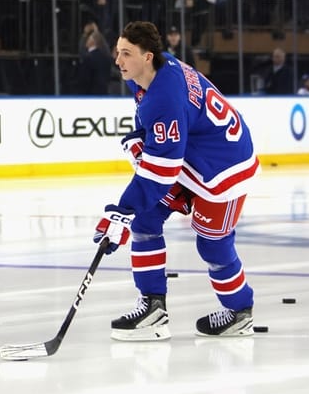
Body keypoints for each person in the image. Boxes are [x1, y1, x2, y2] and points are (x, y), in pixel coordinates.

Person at [93, 21, 259, 341]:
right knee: (145, 218)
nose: (118, 60)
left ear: (147, 56)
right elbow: (158, 131)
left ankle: (240, 311)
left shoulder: (165, 97)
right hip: (193, 156)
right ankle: (153, 308)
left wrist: (120, 211)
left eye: (126, 53)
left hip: (225, 169)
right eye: (117, 52)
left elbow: (160, 172)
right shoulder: (149, 74)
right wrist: (141, 140)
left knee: (211, 243)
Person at [77, 30, 112, 94]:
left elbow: (84, 79)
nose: (87, 40)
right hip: (104, 92)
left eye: (89, 38)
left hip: (90, 93)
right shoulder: (106, 57)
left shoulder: (88, 58)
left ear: (93, 41)